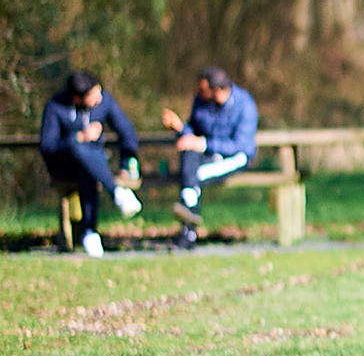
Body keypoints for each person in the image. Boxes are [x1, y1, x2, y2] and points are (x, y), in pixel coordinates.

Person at [38, 71, 145, 258]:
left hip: (95, 165)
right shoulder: (56, 107)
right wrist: (78, 138)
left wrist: (127, 161)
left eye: (99, 92)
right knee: (79, 150)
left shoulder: (104, 102)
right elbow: (48, 147)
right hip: (63, 166)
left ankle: (90, 233)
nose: (99, 98)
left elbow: (126, 130)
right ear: (78, 98)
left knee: (88, 167)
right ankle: (115, 196)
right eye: (94, 96)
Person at [161, 66, 258, 250]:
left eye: (202, 90)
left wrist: (203, 144)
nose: (198, 94)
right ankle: (188, 220)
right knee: (188, 151)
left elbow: (240, 146)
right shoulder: (202, 101)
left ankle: (187, 226)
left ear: (217, 90)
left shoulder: (245, 105)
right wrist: (179, 127)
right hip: (208, 155)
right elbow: (193, 133)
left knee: (192, 176)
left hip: (235, 158)